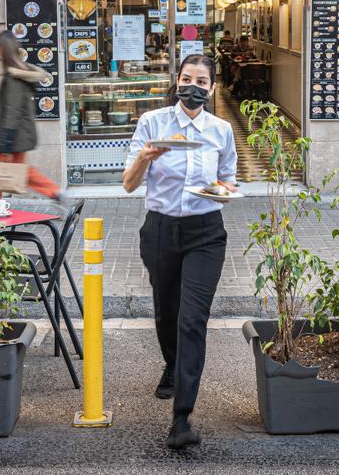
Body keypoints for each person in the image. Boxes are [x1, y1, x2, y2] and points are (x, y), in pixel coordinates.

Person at [123, 54, 238, 450]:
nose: (192, 86)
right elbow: (128, 185)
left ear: (211, 88)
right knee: (166, 311)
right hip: (159, 230)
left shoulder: (221, 130)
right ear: (176, 81)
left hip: (205, 232)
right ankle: (172, 364)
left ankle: (182, 417)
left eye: (201, 81)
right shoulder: (152, 124)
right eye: (186, 78)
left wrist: (223, 191)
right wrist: (144, 157)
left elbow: (227, 181)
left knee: (192, 319)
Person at [0, 31, 63, 200]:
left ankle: (54, 191)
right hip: (16, 136)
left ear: (4, 49)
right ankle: (54, 191)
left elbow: (13, 111)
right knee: (9, 173)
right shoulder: (13, 74)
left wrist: (5, 145)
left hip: (11, 138)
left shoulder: (14, 77)